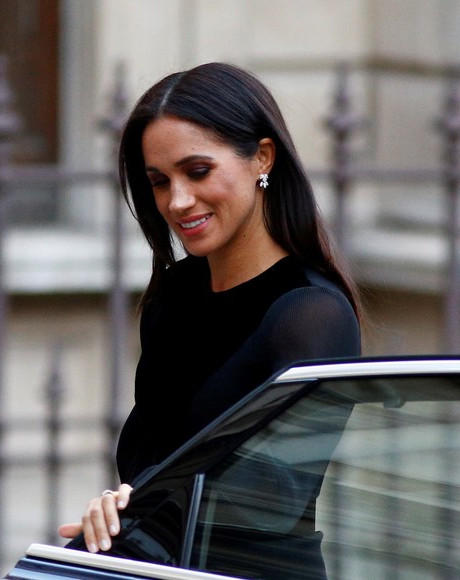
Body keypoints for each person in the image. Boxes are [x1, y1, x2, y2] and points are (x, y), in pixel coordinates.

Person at [57, 62, 361, 561]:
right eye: (159, 181)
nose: (177, 201)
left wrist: (144, 503)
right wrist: (118, 510)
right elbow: (152, 463)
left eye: (198, 172)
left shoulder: (310, 313)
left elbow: (274, 499)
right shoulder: (174, 296)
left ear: (262, 158)